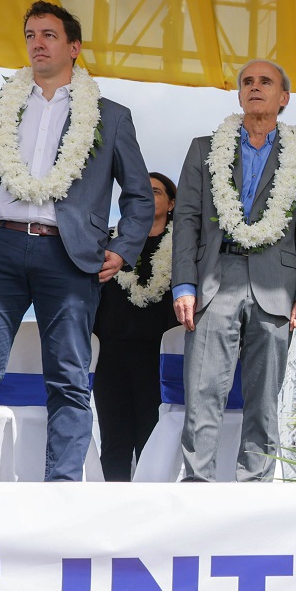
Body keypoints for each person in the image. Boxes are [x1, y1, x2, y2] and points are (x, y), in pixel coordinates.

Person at [0, 0, 153, 481]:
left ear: (74, 48)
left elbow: (139, 196)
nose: (37, 43)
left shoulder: (110, 116)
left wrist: (121, 250)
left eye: (49, 35)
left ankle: (61, 487)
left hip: (69, 256)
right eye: (31, 34)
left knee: (71, 377)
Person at [170, 59, 296, 481]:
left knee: (263, 402)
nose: (255, 87)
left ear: (283, 98)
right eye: (248, 82)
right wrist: (183, 284)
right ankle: (197, 487)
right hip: (215, 281)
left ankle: (253, 490)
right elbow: (185, 220)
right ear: (239, 95)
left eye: (266, 81)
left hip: (276, 288)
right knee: (202, 394)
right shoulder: (205, 149)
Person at [93, 171, 178, 481]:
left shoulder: (183, 245)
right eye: (142, 191)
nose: (148, 196)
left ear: (171, 203)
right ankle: (110, 511)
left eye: (155, 192)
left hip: (158, 357)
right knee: (114, 440)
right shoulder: (109, 240)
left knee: (150, 439)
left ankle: (148, 511)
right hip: (110, 353)